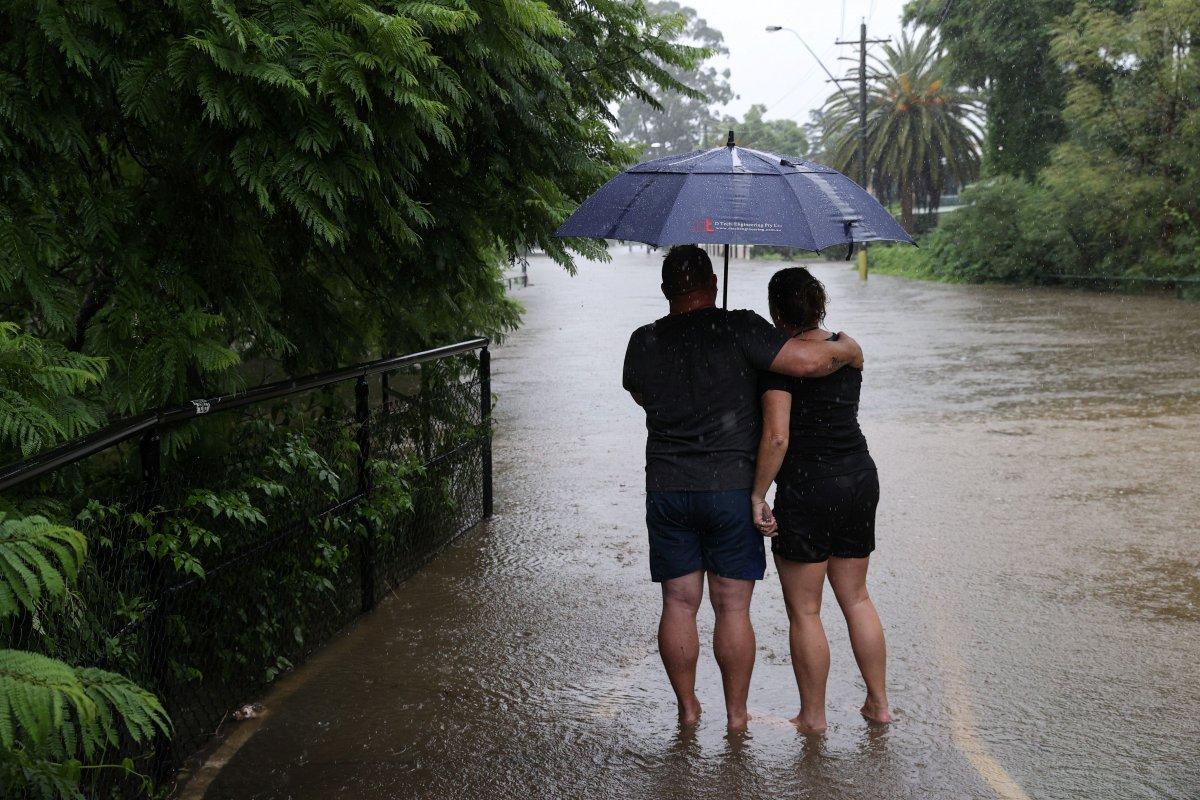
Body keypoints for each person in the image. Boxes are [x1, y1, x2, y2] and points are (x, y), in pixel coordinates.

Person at [622, 246, 864, 732]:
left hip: (668, 486)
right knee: (732, 607)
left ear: (665, 289)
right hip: (730, 487)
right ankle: (736, 717)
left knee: (678, 603)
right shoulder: (740, 327)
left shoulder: (642, 339)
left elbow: (641, 396)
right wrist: (847, 349)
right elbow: (805, 362)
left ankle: (688, 710)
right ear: (713, 284)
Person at [750, 267, 890, 735]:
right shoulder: (846, 350)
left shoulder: (780, 364)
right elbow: (847, 357)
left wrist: (758, 494)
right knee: (857, 597)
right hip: (858, 476)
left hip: (809, 486)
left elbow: (777, 437)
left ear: (776, 311)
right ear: (819, 304)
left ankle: (813, 717)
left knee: (806, 611)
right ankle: (879, 704)